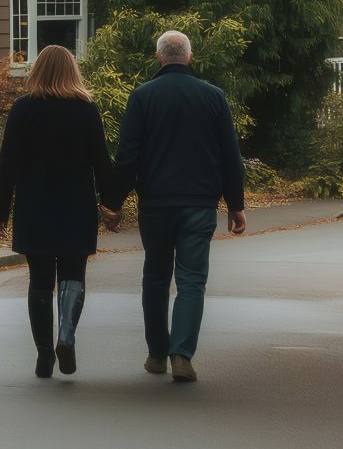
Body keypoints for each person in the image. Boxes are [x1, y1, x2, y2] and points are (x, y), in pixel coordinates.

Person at [102, 30, 246, 383]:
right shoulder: (213, 97)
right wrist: (235, 204)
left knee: (155, 276)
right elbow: (230, 156)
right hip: (199, 203)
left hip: (156, 202)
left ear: (158, 58)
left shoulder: (143, 96)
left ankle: (156, 352)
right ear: (190, 58)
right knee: (192, 279)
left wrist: (112, 202)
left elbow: (128, 156)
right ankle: (182, 353)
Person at [0, 44, 113, 379]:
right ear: (73, 70)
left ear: (38, 70)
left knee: (40, 280)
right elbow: (101, 161)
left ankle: (45, 354)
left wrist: (0, 212)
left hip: (35, 205)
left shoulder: (23, 109)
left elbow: (8, 165)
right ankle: (67, 336)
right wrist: (111, 203)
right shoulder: (87, 110)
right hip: (77, 204)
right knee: (74, 274)